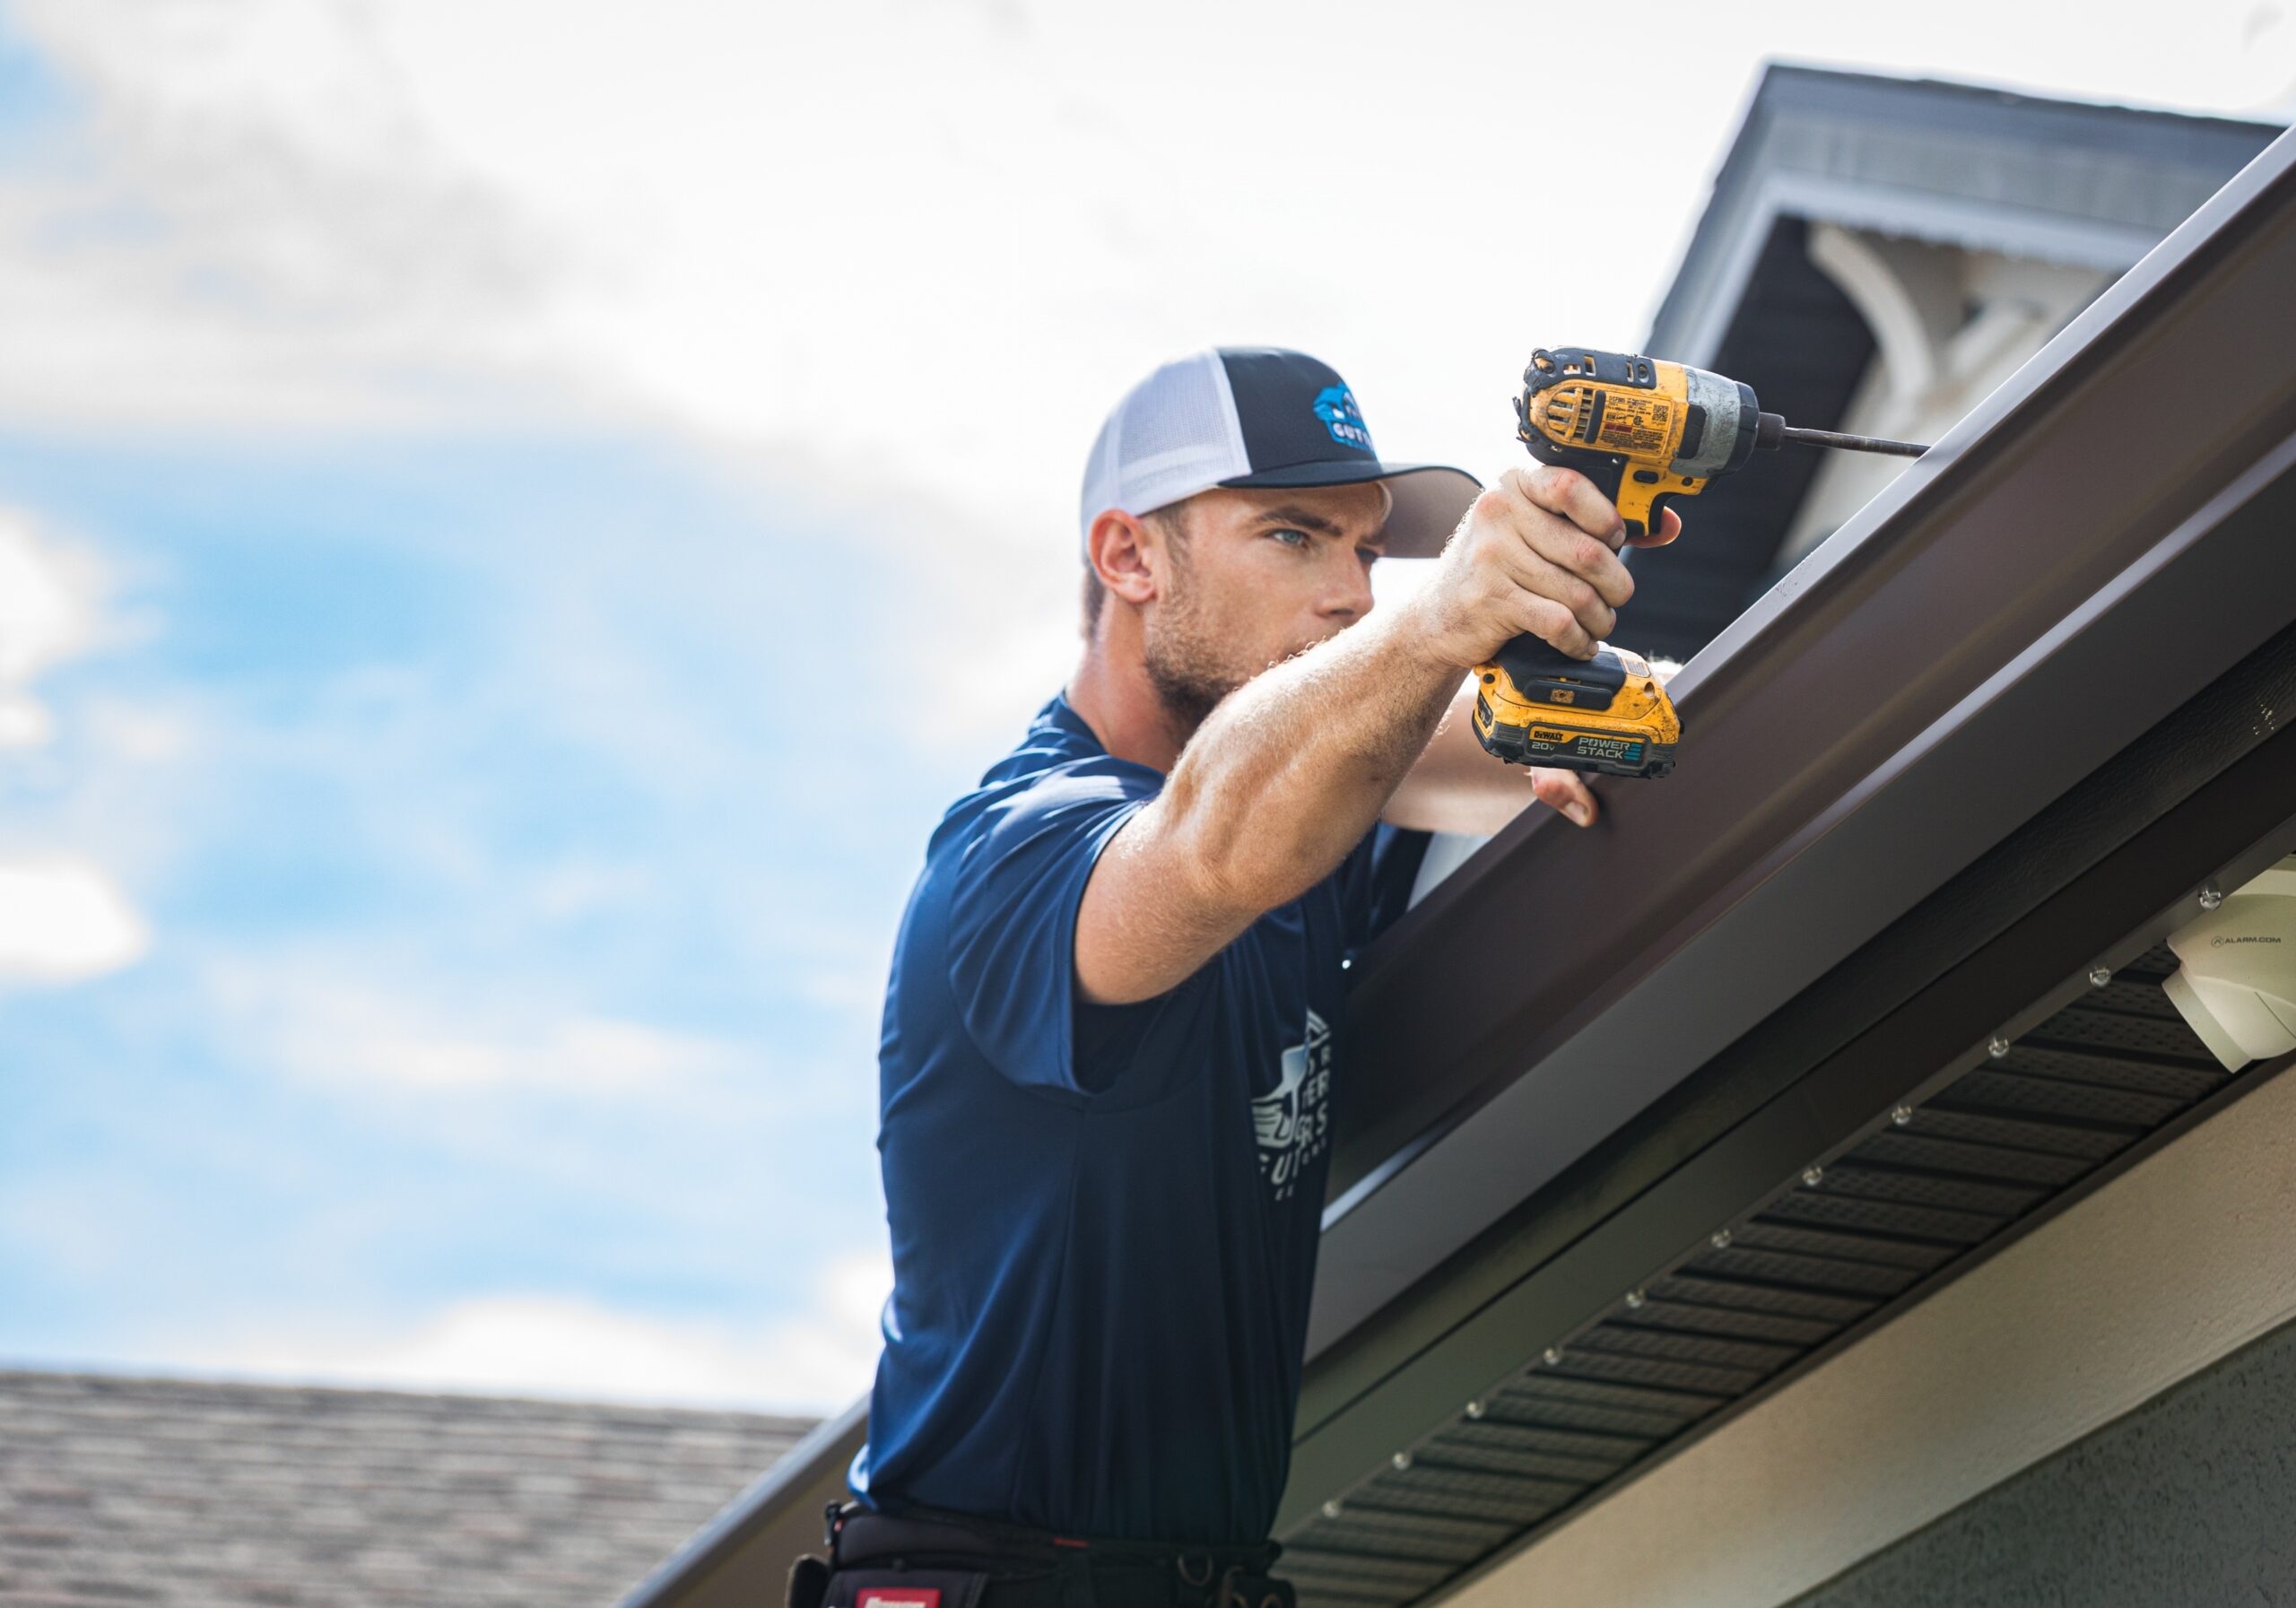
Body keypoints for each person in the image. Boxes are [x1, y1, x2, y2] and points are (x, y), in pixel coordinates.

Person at [810, 349, 1681, 1608]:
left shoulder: (1320, 790)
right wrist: (1438, 622)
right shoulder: (1021, 851)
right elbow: (1215, 842)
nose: (1347, 594)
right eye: (1292, 535)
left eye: (1369, 555)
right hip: (986, 1581)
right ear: (1130, 559)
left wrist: (1612, 673)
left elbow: (1620, 728)